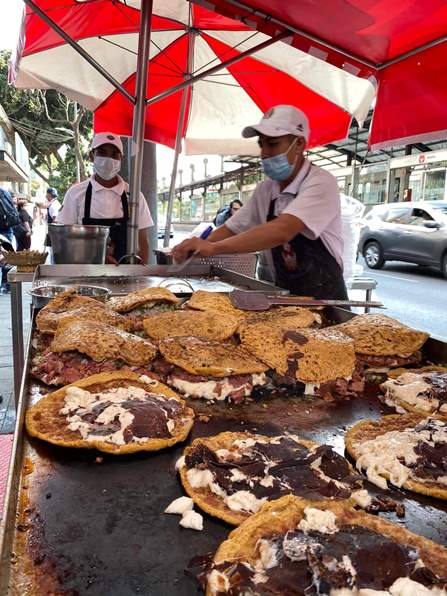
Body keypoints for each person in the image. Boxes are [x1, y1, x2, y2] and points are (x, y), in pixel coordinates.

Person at [172, 105, 348, 300]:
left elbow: (282, 230)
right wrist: (198, 245)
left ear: (299, 143)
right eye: (261, 144)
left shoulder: (321, 182)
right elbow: (232, 227)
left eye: (273, 144)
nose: (264, 152)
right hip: (286, 297)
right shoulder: (266, 190)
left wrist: (213, 249)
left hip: (328, 301)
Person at [57, 132, 153, 264]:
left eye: (114, 154)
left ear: (121, 159)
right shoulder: (75, 194)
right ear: (91, 156)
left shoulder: (134, 196)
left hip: (124, 275)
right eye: (102, 152)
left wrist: (141, 275)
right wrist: (98, 255)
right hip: (85, 273)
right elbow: (65, 239)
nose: (108, 159)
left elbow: (142, 241)